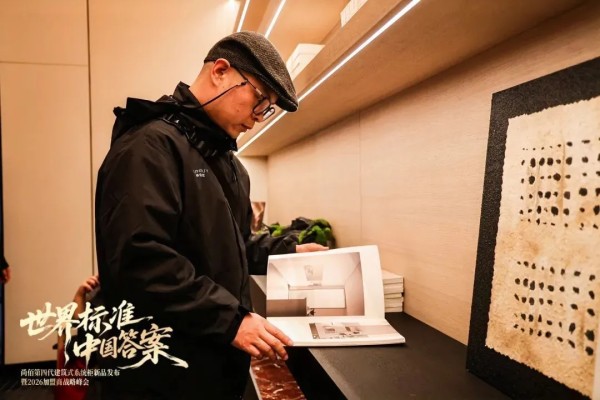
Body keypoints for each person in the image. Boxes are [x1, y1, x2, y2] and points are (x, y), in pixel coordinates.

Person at [92, 31, 326, 399]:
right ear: (220, 71)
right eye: (259, 100)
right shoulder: (148, 147)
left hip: (210, 367)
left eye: (267, 110)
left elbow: (231, 247)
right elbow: (140, 260)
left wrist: (287, 251)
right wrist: (231, 321)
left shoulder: (231, 167)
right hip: (160, 373)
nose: (258, 118)